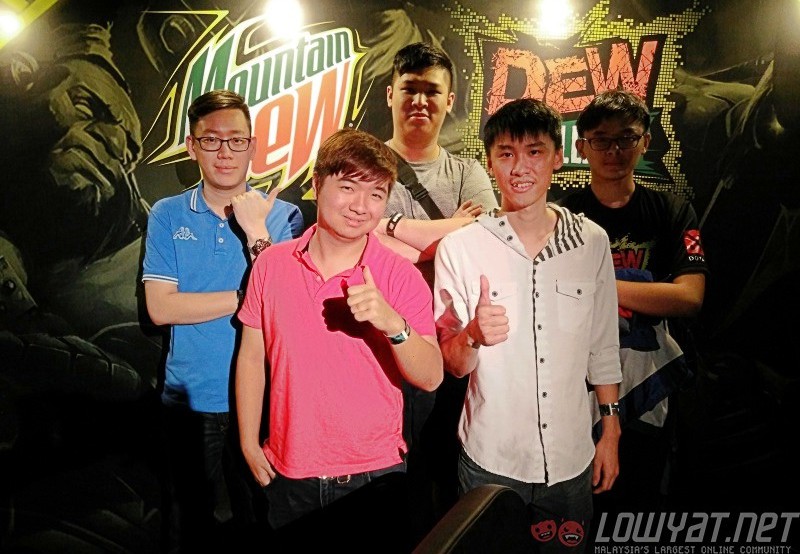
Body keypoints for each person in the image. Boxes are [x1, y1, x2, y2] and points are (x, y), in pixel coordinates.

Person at [434, 98, 622, 553]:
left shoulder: (591, 241)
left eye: (534, 151)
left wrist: (611, 430)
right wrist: (472, 335)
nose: (520, 167)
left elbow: (603, 345)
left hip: (571, 459)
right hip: (489, 457)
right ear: (490, 162)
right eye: (506, 153)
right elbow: (453, 365)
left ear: (558, 157)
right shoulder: (460, 248)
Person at [235, 128, 443, 536]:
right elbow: (251, 358)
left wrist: (393, 324)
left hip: (374, 474)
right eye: (348, 187)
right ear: (317, 185)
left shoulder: (400, 275)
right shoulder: (271, 264)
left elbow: (432, 375)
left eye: (376, 194)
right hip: (289, 472)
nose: (361, 206)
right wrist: (247, 441)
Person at [141, 89, 304, 552]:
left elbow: (286, 307)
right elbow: (161, 307)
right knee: (187, 527)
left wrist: (256, 232)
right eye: (211, 140)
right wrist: (246, 297)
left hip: (266, 399)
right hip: (190, 400)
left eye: (236, 140)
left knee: (261, 523)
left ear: (252, 146)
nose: (225, 152)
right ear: (192, 147)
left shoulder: (283, 216)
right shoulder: (168, 214)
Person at [369, 41, 501, 538]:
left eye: (432, 90)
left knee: (447, 479)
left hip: (454, 346)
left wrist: (396, 228)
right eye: (410, 89)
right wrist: (450, 231)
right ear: (391, 95)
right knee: (394, 481)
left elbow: (486, 238)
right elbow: (367, 248)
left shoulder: (467, 171)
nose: (420, 101)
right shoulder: (368, 166)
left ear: (449, 100)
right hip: (385, 348)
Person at [559, 90, 708, 515]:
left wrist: (598, 285)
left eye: (626, 138)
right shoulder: (563, 215)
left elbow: (689, 297)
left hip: (651, 381)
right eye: (601, 140)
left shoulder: (672, 210)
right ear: (581, 147)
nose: (614, 151)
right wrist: (645, 292)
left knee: (641, 498)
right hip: (579, 384)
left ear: (645, 142)